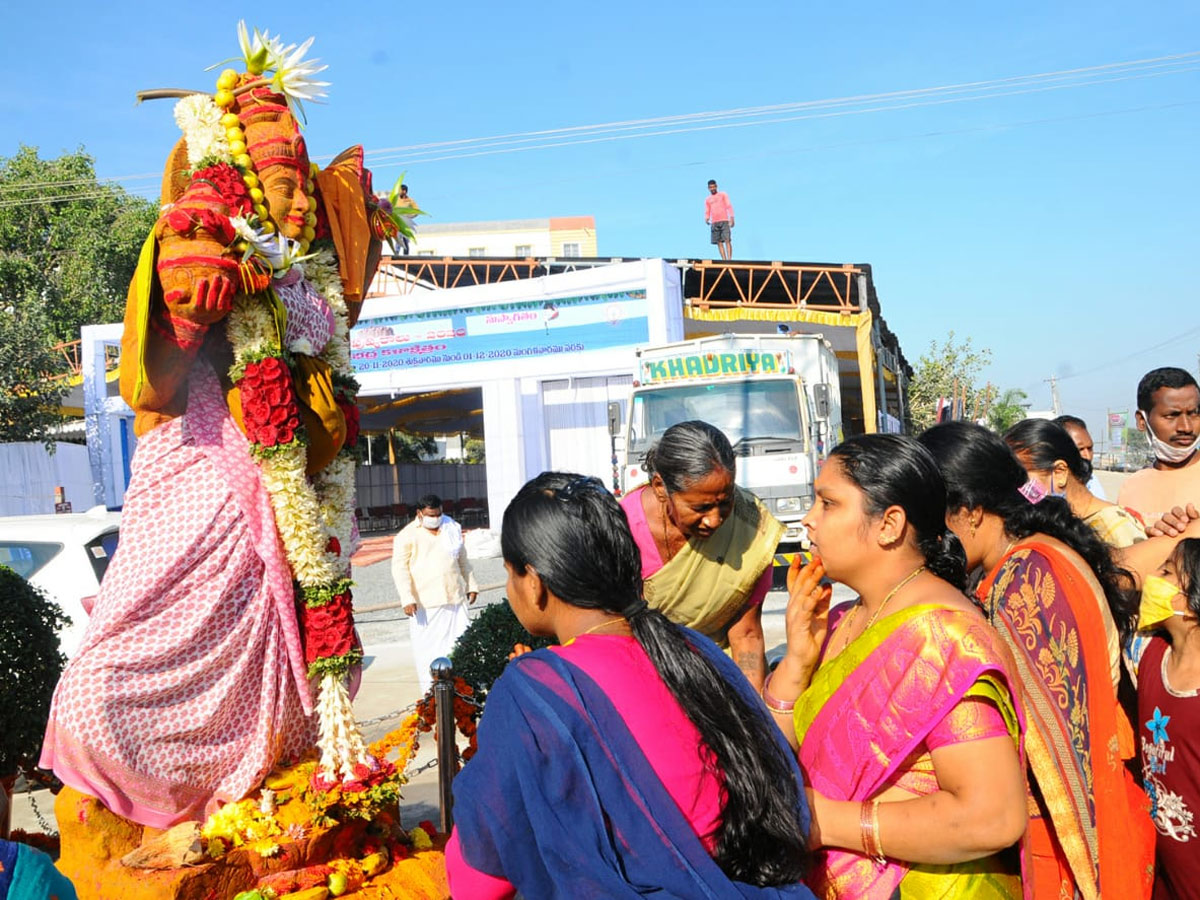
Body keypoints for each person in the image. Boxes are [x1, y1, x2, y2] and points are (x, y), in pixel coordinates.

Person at [39, 30, 386, 827]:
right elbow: (173, 322)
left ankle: (259, 784)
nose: (298, 202)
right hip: (195, 469)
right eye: (281, 186)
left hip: (282, 480)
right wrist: (212, 257)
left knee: (285, 647)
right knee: (103, 683)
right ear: (241, 186)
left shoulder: (309, 279)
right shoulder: (201, 238)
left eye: (303, 185)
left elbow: (326, 383)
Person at [447, 473, 816, 899]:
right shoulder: (690, 647)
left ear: (533, 582)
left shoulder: (533, 690)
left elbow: (482, 869)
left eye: (510, 573)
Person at [765, 434, 1027, 898]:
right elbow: (783, 761)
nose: (808, 520)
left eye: (828, 504)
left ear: (889, 525)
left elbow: (992, 817)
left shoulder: (945, 641)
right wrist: (796, 664)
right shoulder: (846, 619)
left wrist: (828, 822)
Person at [920, 421, 1155, 900]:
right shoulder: (1023, 561)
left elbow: (1060, 746)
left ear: (968, 511)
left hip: (1066, 838)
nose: (927, 542)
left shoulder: (1027, 578)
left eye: (931, 522)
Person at [619, 420, 778, 690]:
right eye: (700, 507)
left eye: (725, 502)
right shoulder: (619, 530)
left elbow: (746, 636)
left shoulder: (749, 526)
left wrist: (752, 713)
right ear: (660, 487)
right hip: (646, 680)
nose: (714, 521)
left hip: (723, 678)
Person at [1136, 539, 1200, 900]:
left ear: (1190, 605)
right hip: (1162, 872)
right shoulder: (1148, 655)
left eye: (1166, 572)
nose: (1151, 579)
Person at [1008, 418, 1145, 548]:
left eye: (1021, 478)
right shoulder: (1057, 525)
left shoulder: (1115, 529)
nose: (1017, 489)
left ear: (1059, 472)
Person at [391, 493, 478, 693]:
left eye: (438, 514)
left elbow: (462, 560)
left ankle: (462, 694)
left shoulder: (451, 528)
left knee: (462, 648)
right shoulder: (407, 535)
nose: (436, 518)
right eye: (431, 515)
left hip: (455, 599)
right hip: (425, 605)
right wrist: (407, 598)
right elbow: (400, 569)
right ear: (419, 514)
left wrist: (472, 584)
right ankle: (431, 696)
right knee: (429, 654)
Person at [1119, 367, 1200, 524]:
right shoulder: (1131, 487)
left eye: (1193, 413)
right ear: (1142, 420)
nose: (1186, 427)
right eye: (1171, 415)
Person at [1054, 413, 1107, 499]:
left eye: (1090, 448)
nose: (1088, 456)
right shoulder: (1041, 481)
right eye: (1080, 449)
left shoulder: (1092, 481)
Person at [705, 178, 735, 260]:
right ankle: (724, 259)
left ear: (716, 186)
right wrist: (707, 218)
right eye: (710, 187)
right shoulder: (708, 199)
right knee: (718, 242)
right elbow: (707, 209)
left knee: (727, 240)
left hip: (724, 220)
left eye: (713, 187)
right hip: (715, 221)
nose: (712, 189)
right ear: (708, 188)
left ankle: (729, 259)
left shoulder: (723, 195)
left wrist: (732, 217)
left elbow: (729, 205)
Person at [392, 183, 417, 254]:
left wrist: (409, 216)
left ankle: (406, 254)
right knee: (398, 237)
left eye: (400, 190)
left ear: (404, 191)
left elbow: (416, 210)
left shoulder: (410, 201)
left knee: (405, 239)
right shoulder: (396, 200)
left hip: (406, 222)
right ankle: (396, 253)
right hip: (397, 221)